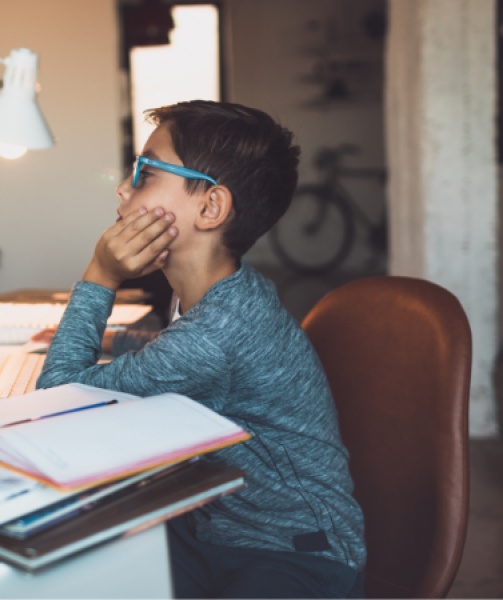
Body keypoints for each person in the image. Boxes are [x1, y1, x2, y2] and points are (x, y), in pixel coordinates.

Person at [35, 100, 366, 598]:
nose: (123, 189)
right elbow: (176, 348)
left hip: (293, 555)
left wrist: (100, 275)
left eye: (145, 173)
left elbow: (57, 394)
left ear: (210, 207)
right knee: (82, 553)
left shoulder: (215, 335)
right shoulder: (228, 292)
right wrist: (115, 337)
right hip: (218, 529)